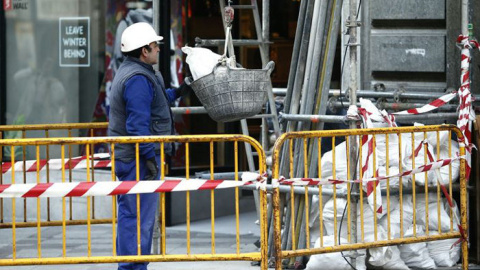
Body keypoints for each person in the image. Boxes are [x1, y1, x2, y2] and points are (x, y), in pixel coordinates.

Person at [108, 22, 184, 270]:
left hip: (137, 158)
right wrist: (151, 158)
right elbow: (137, 127)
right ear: (144, 50)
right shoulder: (137, 79)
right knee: (137, 216)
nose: (159, 49)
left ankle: (133, 265)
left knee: (136, 215)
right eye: (155, 45)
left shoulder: (137, 73)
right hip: (137, 160)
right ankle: (132, 267)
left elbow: (157, 100)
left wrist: (183, 90)